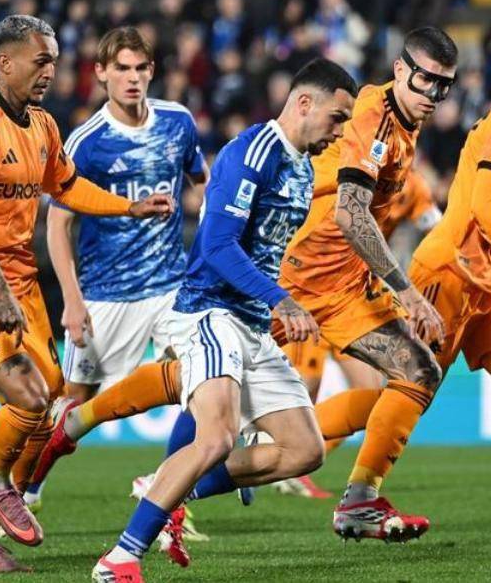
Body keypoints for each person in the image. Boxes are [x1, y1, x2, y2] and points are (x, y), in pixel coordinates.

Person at [310, 21, 491, 553]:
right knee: (405, 390)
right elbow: (486, 202)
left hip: (487, 284)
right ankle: (341, 480)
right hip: (449, 274)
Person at [92, 58, 359, 582]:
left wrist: (275, 302)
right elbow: (215, 245)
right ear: (304, 103)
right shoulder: (251, 152)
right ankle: (120, 559)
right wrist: (281, 300)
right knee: (215, 439)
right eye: (337, 117)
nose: (340, 131)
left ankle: (168, 486)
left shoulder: (304, 169)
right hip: (210, 312)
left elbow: (266, 252)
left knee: (305, 450)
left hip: (252, 326)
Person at [0, 15, 173, 573]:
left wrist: (129, 207)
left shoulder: (42, 125)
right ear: (4, 62)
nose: (50, 71)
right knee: (27, 397)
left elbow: (66, 187)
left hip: (21, 284)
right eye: (40, 60)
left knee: (45, 414)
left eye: (54, 61)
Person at [278, 26, 458, 541]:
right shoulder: (373, 120)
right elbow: (350, 213)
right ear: (400, 69)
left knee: (416, 372)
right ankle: (97, 435)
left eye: (444, 85)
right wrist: (409, 291)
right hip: (299, 276)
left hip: (348, 285)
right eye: (425, 79)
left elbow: (434, 227)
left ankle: (358, 500)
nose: (433, 94)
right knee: (204, 379)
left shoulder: (406, 134)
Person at [21, 27, 206, 516]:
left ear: (152, 71)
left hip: (172, 288)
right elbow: (57, 225)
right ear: (101, 73)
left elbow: (202, 184)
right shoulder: (87, 143)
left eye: (141, 68)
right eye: (121, 68)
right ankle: (26, 489)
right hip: (107, 294)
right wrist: (72, 300)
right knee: (75, 406)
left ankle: (164, 495)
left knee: (202, 382)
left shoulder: (178, 122)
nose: (132, 78)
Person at [279, 167, 443, 499]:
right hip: (311, 290)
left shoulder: (413, 187)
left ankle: (292, 456)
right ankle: (275, 450)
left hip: (356, 298)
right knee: (305, 387)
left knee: (372, 392)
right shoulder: (340, 166)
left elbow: (437, 231)